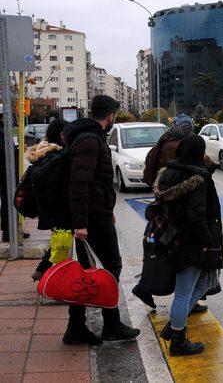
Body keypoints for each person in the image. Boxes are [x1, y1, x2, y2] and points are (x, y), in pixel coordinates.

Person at [62, 95, 140, 345]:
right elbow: (79, 184)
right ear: (111, 116)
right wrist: (81, 222)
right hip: (92, 219)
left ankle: (76, 327)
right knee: (109, 269)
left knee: (89, 271)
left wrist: (108, 209)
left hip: (96, 214)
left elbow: (94, 183)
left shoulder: (86, 137)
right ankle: (111, 324)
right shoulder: (90, 141)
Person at [153, 134, 223, 356]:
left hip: (173, 239)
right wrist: (206, 242)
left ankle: (175, 325)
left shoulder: (169, 173)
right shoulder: (197, 179)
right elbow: (197, 215)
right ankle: (178, 340)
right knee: (184, 293)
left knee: (204, 283)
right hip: (191, 242)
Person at [139, 113, 213, 313]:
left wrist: (160, 190)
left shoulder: (158, 145)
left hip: (162, 203)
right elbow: (201, 168)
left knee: (160, 250)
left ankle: (146, 286)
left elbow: (148, 175)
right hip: (179, 204)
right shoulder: (179, 147)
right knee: (183, 254)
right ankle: (181, 301)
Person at [29, 118, 69, 281]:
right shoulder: (56, 156)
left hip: (49, 208)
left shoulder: (41, 152)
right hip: (57, 208)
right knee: (63, 243)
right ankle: (58, 280)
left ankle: (41, 272)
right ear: (62, 135)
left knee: (60, 241)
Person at [0, 104, 30, 243]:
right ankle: (9, 231)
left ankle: (13, 229)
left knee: (11, 201)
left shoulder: (3, 130)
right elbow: (4, 152)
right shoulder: (1, 131)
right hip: (6, 172)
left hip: (8, 170)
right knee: (9, 201)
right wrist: (18, 151)